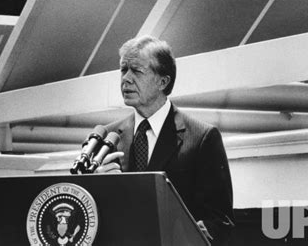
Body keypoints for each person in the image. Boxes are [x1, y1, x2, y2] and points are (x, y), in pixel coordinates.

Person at [96, 35, 234, 245]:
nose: (126, 78)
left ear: (163, 81)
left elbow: (220, 221)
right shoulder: (107, 137)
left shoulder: (202, 138)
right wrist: (97, 186)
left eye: (137, 71)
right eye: (123, 69)